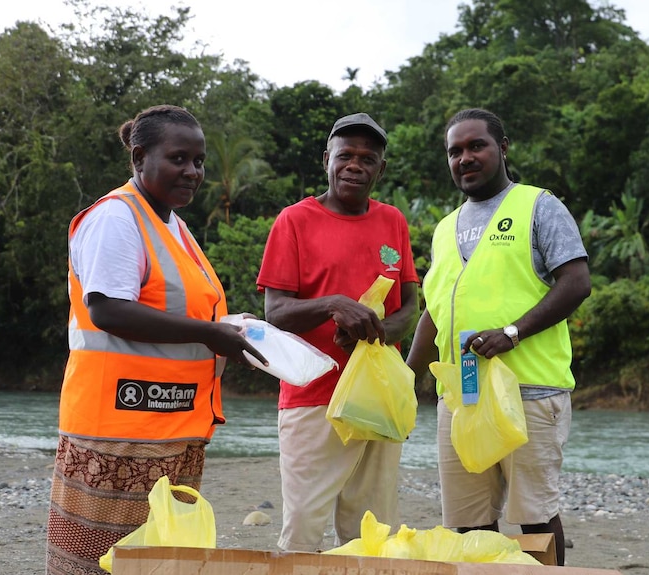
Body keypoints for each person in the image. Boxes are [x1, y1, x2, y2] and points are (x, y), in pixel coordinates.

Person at [46, 104, 267, 575]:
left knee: (157, 560)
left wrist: (230, 328)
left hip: (173, 426)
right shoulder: (116, 218)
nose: (193, 172)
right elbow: (107, 308)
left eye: (199, 161)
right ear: (140, 156)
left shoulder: (175, 226)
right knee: (100, 561)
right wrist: (211, 333)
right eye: (179, 159)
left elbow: (184, 312)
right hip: (118, 432)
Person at [405, 108, 591, 566]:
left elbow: (577, 281)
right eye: (455, 151)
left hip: (529, 391)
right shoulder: (445, 228)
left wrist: (513, 333)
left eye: (476, 146)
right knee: (467, 525)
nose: (465, 158)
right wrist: (407, 378)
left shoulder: (539, 205)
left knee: (534, 519)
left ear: (502, 148)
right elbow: (435, 309)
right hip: (459, 397)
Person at [256, 112, 420, 552]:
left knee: (373, 529)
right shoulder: (294, 220)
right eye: (345, 155)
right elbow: (275, 312)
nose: (355, 165)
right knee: (304, 526)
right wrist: (333, 305)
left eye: (368, 159)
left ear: (380, 169)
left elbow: (412, 306)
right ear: (326, 159)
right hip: (314, 395)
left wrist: (377, 330)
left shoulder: (393, 222)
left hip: (378, 395)